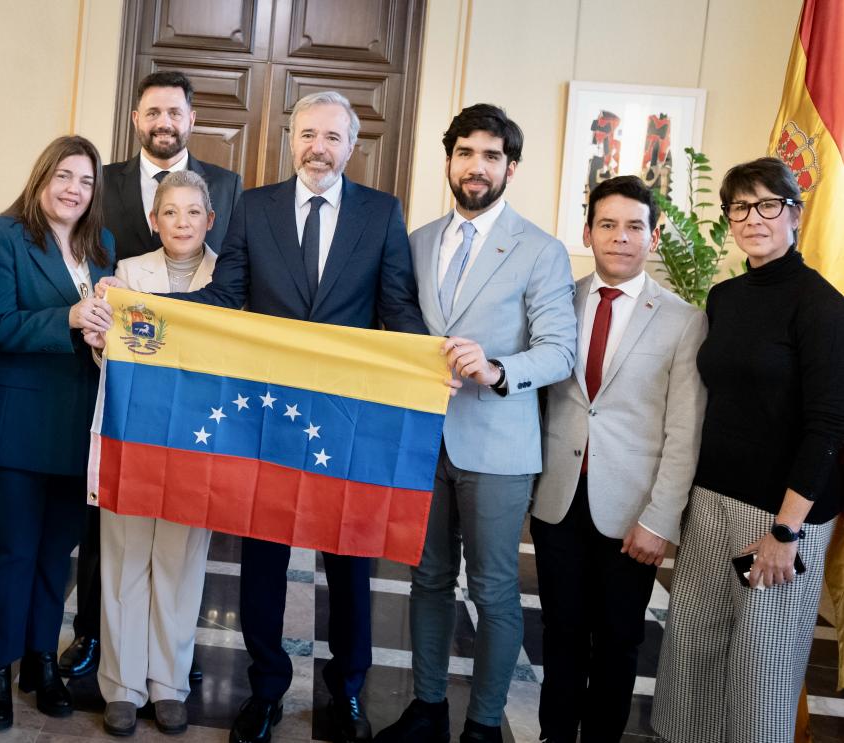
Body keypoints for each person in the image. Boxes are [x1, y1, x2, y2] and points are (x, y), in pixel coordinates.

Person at [91, 90, 427, 743]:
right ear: (290, 138)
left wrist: (436, 357)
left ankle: (347, 691)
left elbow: (399, 310)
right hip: (268, 415)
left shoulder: (382, 213)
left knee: (348, 563)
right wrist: (141, 308)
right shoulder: (256, 206)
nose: (318, 147)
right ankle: (266, 689)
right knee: (264, 559)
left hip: (345, 418)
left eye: (332, 136)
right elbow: (224, 297)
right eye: (307, 134)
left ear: (351, 146)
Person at [373, 104, 576, 743]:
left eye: (491, 156)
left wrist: (495, 367)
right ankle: (428, 707)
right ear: (450, 161)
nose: (476, 167)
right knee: (427, 578)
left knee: (493, 592)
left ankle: (484, 724)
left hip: (497, 441)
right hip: (422, 438)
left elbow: (560, 350)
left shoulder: (540, 250)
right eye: (465, 153)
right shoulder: (418, 240)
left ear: (510, 167)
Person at [651, 157, 844, 743]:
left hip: (783, 514)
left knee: (762, 670)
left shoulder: (823, 306)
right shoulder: (725, 297)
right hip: (711, 502)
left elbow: (830, 427)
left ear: (794, 213)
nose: (753, 218)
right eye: (740, 207)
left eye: (768, 205)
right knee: (690, 653)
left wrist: (786, 532)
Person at [62, 69, 242, 682]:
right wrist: (99, 313)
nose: (182, 220)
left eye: (176, 113)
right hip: (124, 409)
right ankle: (102, 647)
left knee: (181, 556)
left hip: (198, 425)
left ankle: (171, 665)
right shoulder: (105, 185)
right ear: (137, 118)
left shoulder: (229, 192)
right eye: (153, 113)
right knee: (112, 545)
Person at [530, 175, 707, 742]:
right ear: (588, 232)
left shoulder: (684, 319)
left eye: (634, 226)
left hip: (634, 511)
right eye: (608, 225)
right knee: (559, 632)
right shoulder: (559, 299)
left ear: (652, 237)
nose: (621, 237)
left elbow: (685, 429)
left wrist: (661, 517)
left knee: (618, 639)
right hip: (558, 498)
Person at [0, 135, 115, 732]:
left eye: (85, 182)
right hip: (17, 427)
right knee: (10, 556)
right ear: (41, 178)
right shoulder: (2, 235)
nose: (73, 190)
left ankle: (40, 660)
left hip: (79, 430)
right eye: (63, 176)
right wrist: (68, 318)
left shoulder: (101, 246)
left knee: (55, 558)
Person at [97, 170, 218, 737]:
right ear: (153, 220)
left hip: (199, 442)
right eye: (171, 212)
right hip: (135, 433)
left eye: (194, 212)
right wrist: (102, 339)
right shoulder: (126, 275)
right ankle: (122, 685)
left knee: (180, 562)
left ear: (210, 220)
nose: (182, 223)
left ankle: (169, 682)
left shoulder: (230, 277)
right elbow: (113, 363)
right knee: (125, 558)